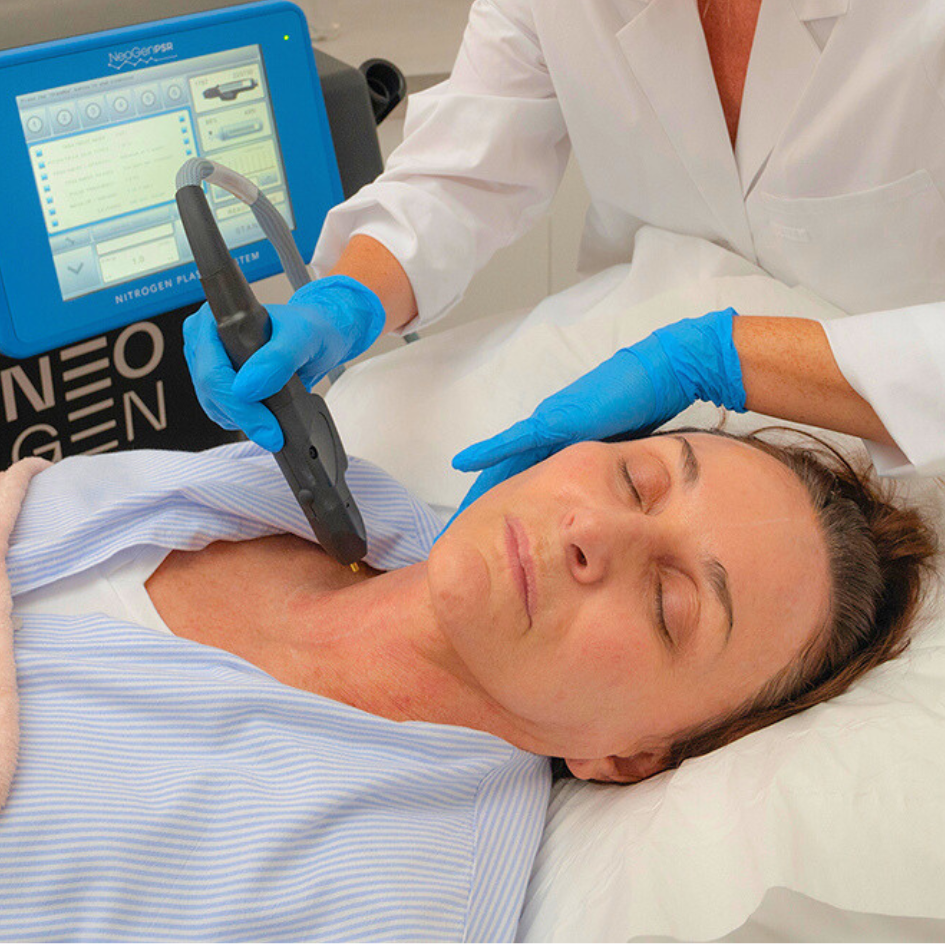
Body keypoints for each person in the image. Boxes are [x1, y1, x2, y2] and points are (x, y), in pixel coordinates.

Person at [1, 423, 936, 938]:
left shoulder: (392, 904)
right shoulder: (322, 486)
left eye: (669, 602)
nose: (592, 531)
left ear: (627, 757)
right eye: (639, 481)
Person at [184, 0, 945, 505]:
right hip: (629, 362)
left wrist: (724, 359)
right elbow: (465, 171)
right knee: (373, 435)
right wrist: (345, 299)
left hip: (903, 429)